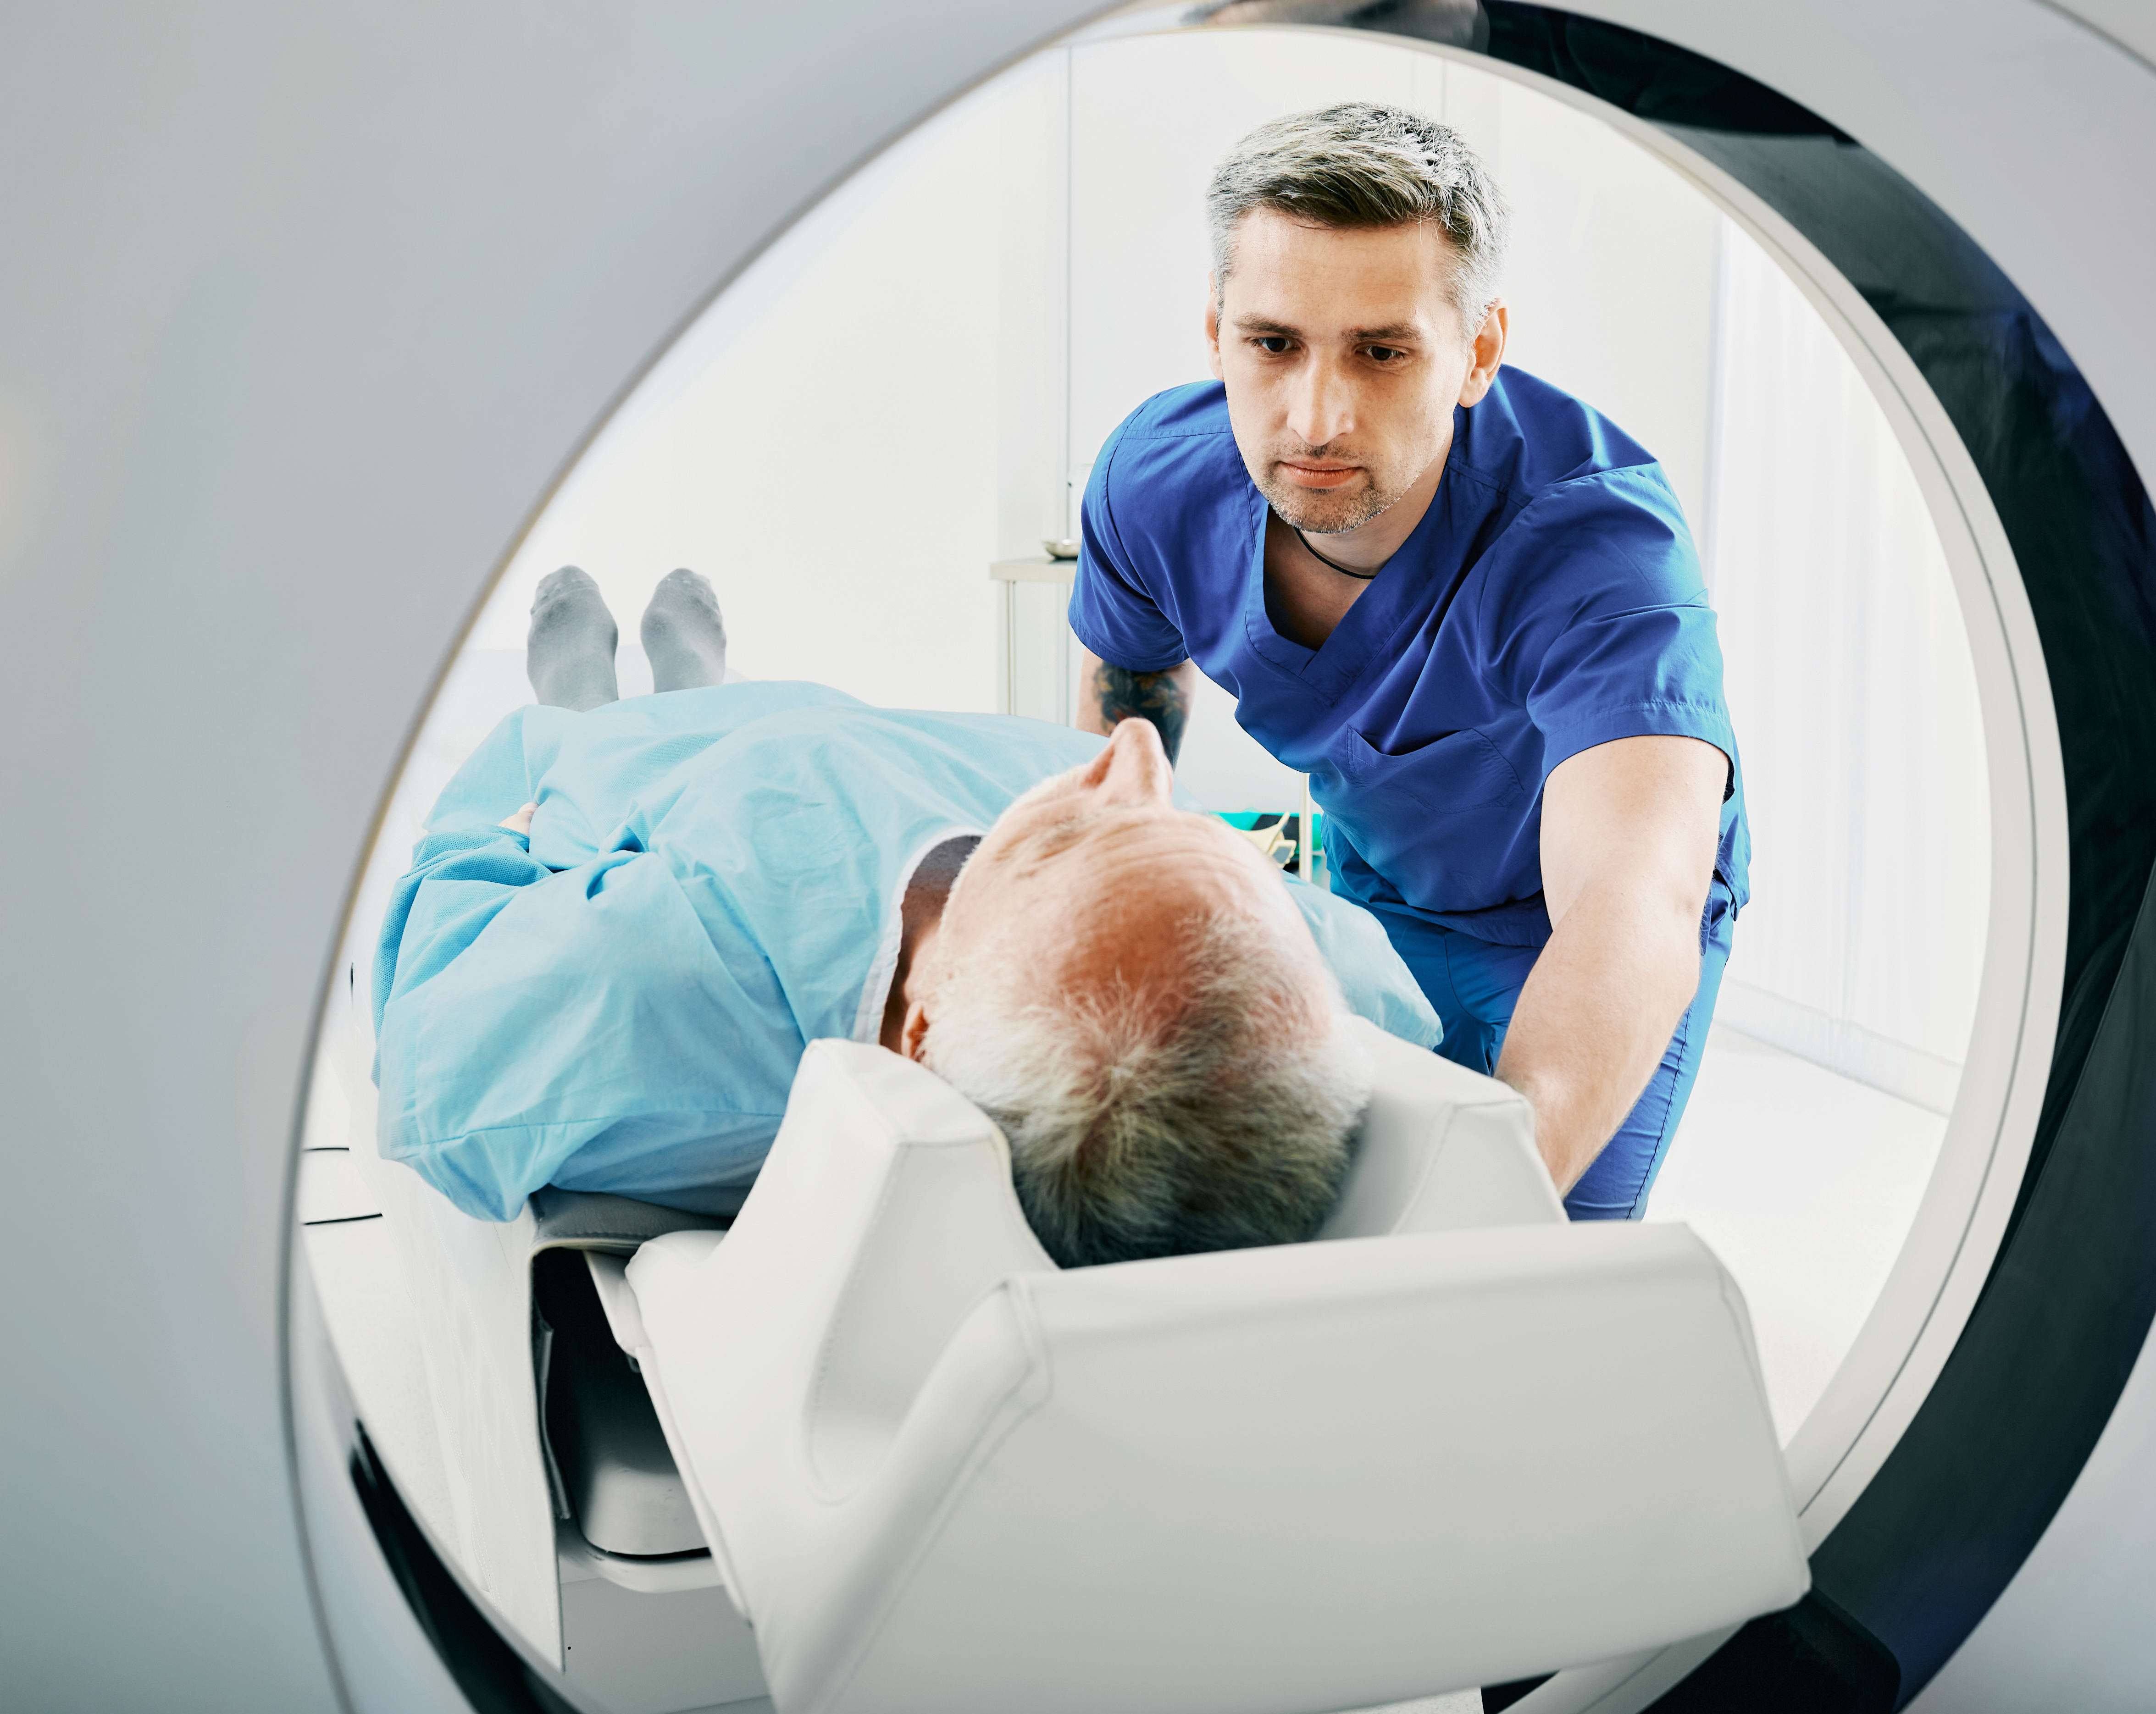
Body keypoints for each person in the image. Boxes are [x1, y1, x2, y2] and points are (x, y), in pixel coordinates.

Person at [1071, 103, 1743, 1221]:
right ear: (1216, 331)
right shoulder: (1155, 480)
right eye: (1273, 344)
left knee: (1517, 1245)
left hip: (1571, 923)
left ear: (1477, 353)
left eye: (1382, 353)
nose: (1316, 416)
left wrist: (1481, 1221)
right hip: (1383, 884)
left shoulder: (1596, 545)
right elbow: (1126, 713)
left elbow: (1635, 892)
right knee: (1291, 1200)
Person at [372, 566, 1438, 1267]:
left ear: (920, 1032)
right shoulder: (1330, 989)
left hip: (651, 797)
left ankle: (580, 697)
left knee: (591, 738)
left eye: (1073, 842)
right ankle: (704, 677)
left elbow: (431, 1041)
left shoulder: (662, 995)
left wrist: (498, 839)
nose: (1137, 752)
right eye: (1182, 829)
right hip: (871, 744)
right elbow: (1387, 995)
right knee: (758, 702)